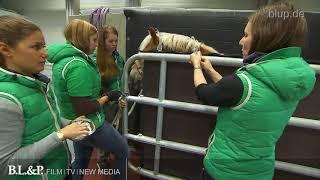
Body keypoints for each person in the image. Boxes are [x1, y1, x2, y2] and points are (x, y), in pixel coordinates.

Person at [189, 2, 316, 180]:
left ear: (266, 38)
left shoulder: (243, 83)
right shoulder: (289, 80)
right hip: (260, 173)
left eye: (246, 35)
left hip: (224, 172)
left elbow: (204, 93)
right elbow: (240, 97)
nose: (240, 41)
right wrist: (210, 70)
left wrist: (196, 65)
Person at [0, 16, 90, 180]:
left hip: (59, 171)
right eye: (36, 47)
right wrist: (61, 135)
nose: (45, 53)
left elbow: (40, 122)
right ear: (6, 50)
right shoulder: (5, 100)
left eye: (44, 46)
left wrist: (66, 124)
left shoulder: (34, 82)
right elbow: (6, 167)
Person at [46, 19, 128, 180]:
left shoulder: (66, 60)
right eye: (94, 40)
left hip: (75, 121)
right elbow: (84, 107)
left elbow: (84, 91)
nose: (97, 45)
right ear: (82, 39)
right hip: (89, 121)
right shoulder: (78, 65)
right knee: (122, 149)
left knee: (81, 160)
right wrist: (107, 96)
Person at [94, 25, 127, 169]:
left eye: (116, 41)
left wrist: (122, 96)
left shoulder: (118, 57)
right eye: (110, 41)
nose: (114, 44)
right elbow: (95, 86)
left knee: (117, 130)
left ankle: (113, 153)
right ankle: (102, 160)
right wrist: (110, 97)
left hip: (118, 99)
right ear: (102, 41)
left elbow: (122, 77)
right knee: (105, 133)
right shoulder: (96, 59)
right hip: (105, 101)